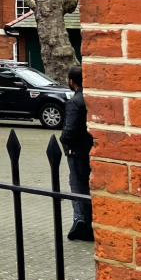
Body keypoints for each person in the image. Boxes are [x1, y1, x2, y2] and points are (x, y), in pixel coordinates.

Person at [60, 64, 94, 241]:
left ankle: (81, 222)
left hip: (77, 150)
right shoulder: (92, 98)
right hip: (91, 148)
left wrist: (64, 140)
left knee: (78, 186)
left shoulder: (75, 102)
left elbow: (69, 131)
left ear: (72, 81)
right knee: (89, 185)